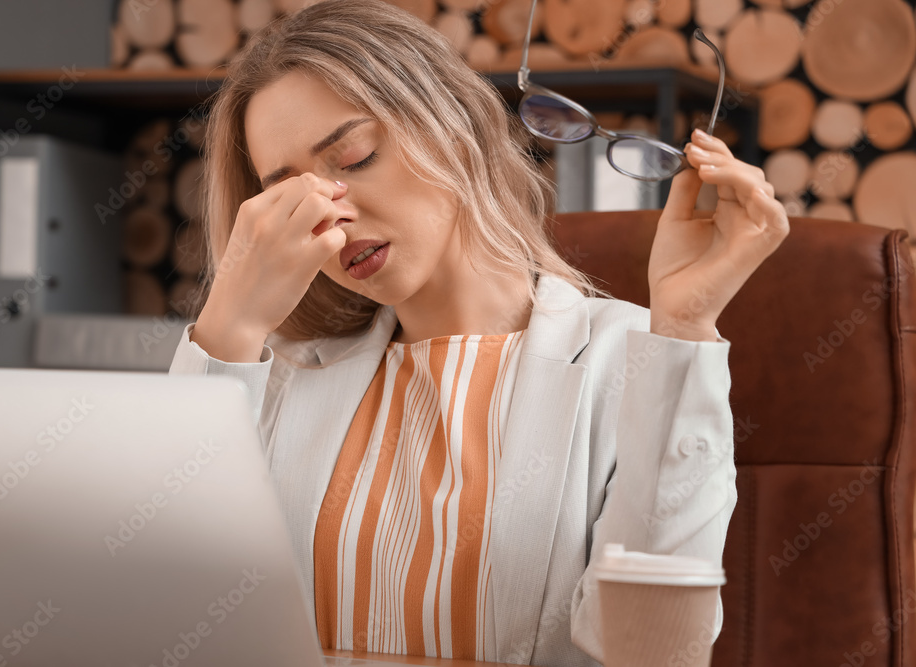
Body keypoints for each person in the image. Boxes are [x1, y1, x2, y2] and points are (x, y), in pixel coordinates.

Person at [168, 1, 789, 665]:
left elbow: (655, 651)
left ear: (454, 128)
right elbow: (165, 612)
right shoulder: (275, 373)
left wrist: (686, 326)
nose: (329, 218)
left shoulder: (637, 357)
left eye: (353, 157)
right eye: (287, 197)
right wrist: (227, 323)